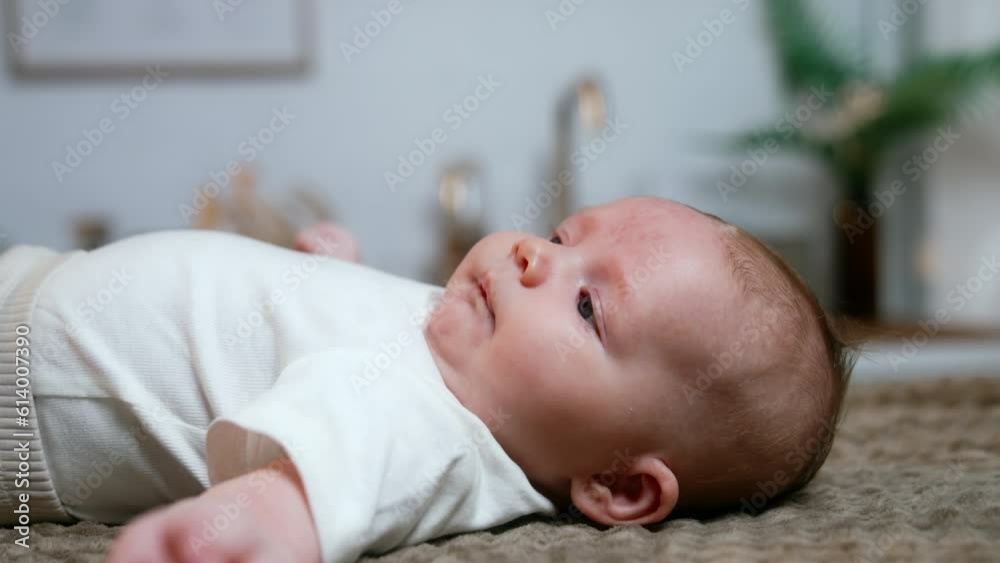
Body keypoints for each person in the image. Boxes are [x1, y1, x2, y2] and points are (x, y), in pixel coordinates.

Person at [0, 197, 852, 562]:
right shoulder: (464, 347)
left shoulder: (439, 425)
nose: (530, 254)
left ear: (619, 484)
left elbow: (337, 461)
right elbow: (334, 356)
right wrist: (314, 282)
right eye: (560, 235)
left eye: (588, 306)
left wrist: (248, 526)